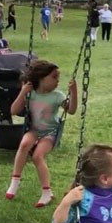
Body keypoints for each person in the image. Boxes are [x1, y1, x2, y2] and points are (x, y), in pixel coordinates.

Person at [5, 60, 78, 207]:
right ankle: (15, 182)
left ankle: (47, 193)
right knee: (24, 144)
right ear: (41, 78)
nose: (57, 81)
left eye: (58, 78)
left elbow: (71, 110)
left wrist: (74, 92)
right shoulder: (30, 93)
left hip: (51, 132)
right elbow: (13, 111)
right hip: (34, 130)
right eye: (54, 77)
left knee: (37, 156)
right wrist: (23, 92)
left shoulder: (57, 96)